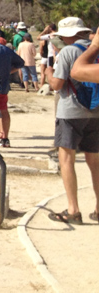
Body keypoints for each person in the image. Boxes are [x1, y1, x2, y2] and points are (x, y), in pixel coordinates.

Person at [47, 17, 99, 224]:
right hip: (96, 112)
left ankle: (73, 210)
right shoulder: (94, 50)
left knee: (66, 159)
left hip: (71, 112)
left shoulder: (69, 52)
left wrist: (49, 73)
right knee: (95, 162)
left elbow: (58, 85)